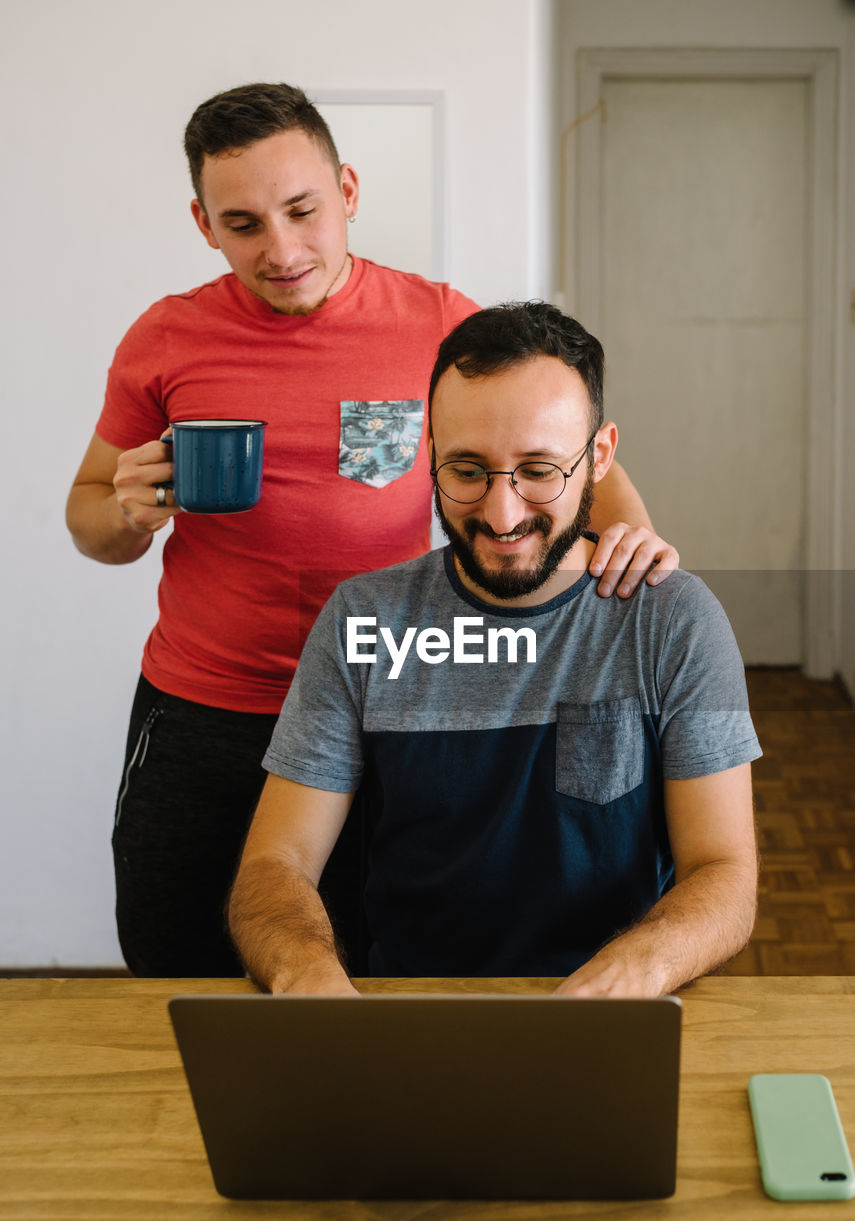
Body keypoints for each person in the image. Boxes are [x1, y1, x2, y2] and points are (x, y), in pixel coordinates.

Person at [66, 83, 679, 978]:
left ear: (347, 192)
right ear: (203, 224)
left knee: (371, 953)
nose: (280, 249)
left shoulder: (437, 322)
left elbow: (572, 449)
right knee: (175, 952)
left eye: (303, 211)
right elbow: (89, 513)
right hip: (208, 707)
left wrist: (632, 541)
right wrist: (123, 514)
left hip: (388, 699)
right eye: (242, 225)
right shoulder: (165, 337)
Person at [229, 301, 761, 997]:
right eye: (467, 471)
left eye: (539, 470)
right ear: (430, 455)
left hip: (618, 1014)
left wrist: (641, 968)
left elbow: (725, 871)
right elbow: (274, 863)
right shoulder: (361, 619)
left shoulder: (674, 619)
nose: (501, 515)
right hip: (407, 1022)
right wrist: (303, 970)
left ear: (597, 457)